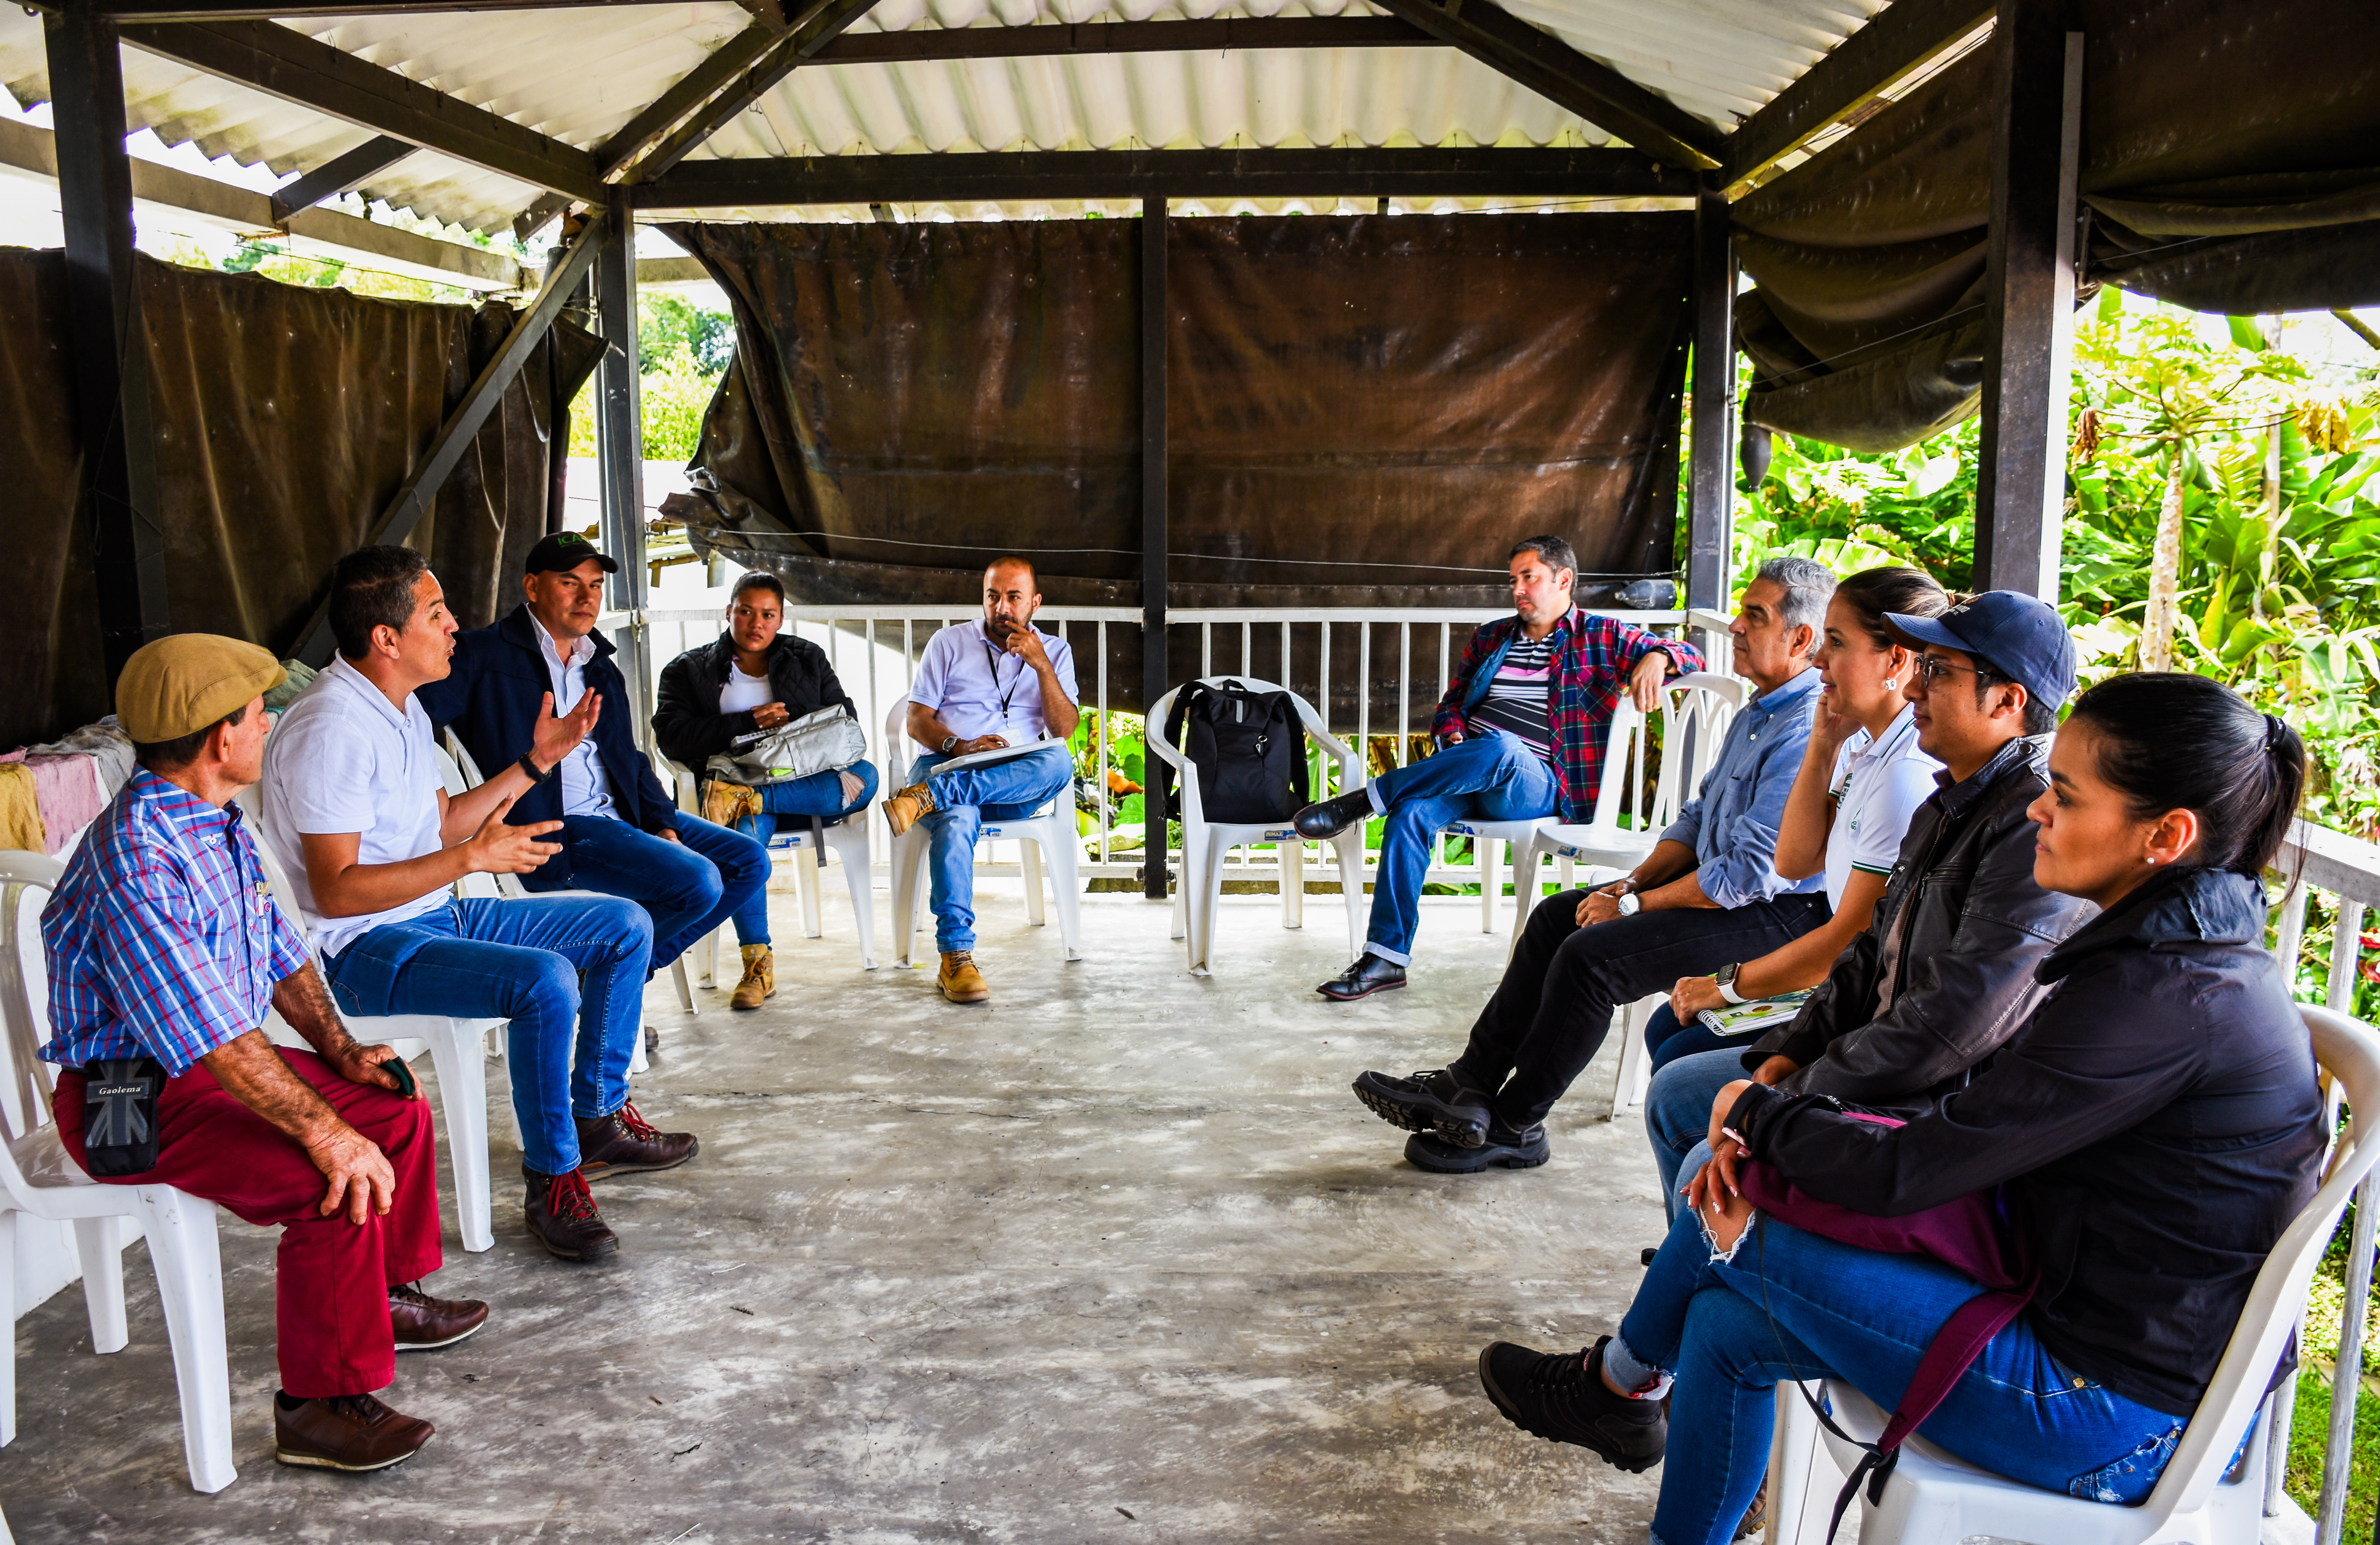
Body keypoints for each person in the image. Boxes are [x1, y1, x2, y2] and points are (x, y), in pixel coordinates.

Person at [1473, 672, 2324, 1545]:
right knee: (1728, 1322)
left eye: (2065, 797)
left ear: (2165, 836)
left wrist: (1755, 1115)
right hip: (2075, 1325)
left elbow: (1910, 1171)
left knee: (1725, 1211)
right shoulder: (2175, 957)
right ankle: (1640, 1434)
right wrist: (1774, 1112)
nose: (2039, 810)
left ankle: (1617, 1387)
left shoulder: (2160, 996)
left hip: (2115, 1416)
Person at [40, 634, 487, 1472]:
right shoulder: (139, 858)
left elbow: (283, 958)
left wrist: (345, 1052)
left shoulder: (213, 820)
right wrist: (325, 1131)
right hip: (127, 1098)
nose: (267, 731)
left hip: (211, 1071)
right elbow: (212, 1037)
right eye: (258, 718)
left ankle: (382, 1297)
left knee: (391, 1102)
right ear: (220, 739)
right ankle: (317, 1407)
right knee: (332, 1175)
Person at [262, 545, 699, 1264]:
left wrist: (536, 764)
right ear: (387, 639)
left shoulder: (400, 708)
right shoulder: (330, 729)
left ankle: (594, 1116)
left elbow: (440, 826)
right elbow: (337, 889)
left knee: (624, 925)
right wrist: (470, 860)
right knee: (545, 980)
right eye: (437, 614)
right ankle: (553, 1178)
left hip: (433, 914)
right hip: (363, 949)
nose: (456, 626)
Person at [1351, 557, 1837, 1173]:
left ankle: (1515, 1124)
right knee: (1559, 916)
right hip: (1728, 891)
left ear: (1801, 638)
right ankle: (1468, 1083)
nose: (1736, 627)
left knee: (1591, 959)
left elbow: (1746, 876)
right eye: (1740, 611)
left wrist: (1632, 906)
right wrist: (1629, 882)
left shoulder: (1802, 726)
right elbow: (1694, 819)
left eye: (1754, 616)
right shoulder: (1760, 709)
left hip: (1775, 916)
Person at [1643, 590, 2094, 1220]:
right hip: (1881, 1055)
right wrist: (1792, 1054)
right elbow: (1862, 947)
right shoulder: (1951, 797)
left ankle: (1711, 1254)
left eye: (1937, 672)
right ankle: (1708, 1255)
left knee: (1691, 1102)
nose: (1915, 689)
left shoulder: (2028, 823)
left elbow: (1948, 1024)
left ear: (2008, 700)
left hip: (1933, 1106)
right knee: (1679, 1084)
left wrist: (1794, 1088)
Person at [1293, 536, 1702, 1001]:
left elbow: (1695, 656)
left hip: (1540, 783)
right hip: (1473, 769)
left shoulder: (1602, 634)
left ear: (1563, 580)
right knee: (1411, 816)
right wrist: (1453, 736)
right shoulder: (1492, 636)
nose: (1518, 589)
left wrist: (1659, 655)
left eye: (1530, 577)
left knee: (1503, 748)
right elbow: (1451, 706)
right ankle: (1386, 958)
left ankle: (1364, 801)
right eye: (1514, 580)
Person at [417, 530, 769, 999]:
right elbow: (411, 716)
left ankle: (610, 975)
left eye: (596, 585)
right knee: (699, 881)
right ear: (532, 587)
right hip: (556, 827)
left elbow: (631, 758)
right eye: (570, 582)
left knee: (747, 861)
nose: (588, 597)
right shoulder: (483, 655)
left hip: (620, 815)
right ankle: (613, 977)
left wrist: (661, 822)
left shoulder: (599, 665)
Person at [1637, 567, 1949, 1075]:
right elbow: (1796, 857)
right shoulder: (1865, 744)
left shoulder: (1905, 772)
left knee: (1679, 1062)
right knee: (1668, 1030)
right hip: (1844, 975)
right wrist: (1823, 744)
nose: (1818, 659)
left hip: (1872, 1001)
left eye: (1837, 642)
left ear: (1895, 659)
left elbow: (1848, 939)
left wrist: (1727, 985)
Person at [653, 570, 877, 1009]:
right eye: (746, 612)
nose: (756, 623)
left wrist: (795, 728)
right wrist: (748, 722)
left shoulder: (806, 656)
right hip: (735, 782)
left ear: (780, 618)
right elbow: (673, 738)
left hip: (801, 783)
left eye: (768, 615)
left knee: (865, 777)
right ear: (729, 612)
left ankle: (759, 798)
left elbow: (845, 717)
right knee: (745, 846)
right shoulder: (687, 669)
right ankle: (757, 963)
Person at [880, 556, 1080, 1005]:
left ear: (1035, 603)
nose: (1002, 607)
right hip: (948, 761)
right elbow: (916, 720)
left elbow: (1064, 730)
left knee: (1058, 763)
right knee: (957, 815)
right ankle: (956, 957)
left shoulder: (1056, 652)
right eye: (993, 596)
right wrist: (961, 747)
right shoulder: (948, 643)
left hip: (1015, 780)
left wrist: (1042, 666)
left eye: (1014, 597)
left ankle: (926, 797)